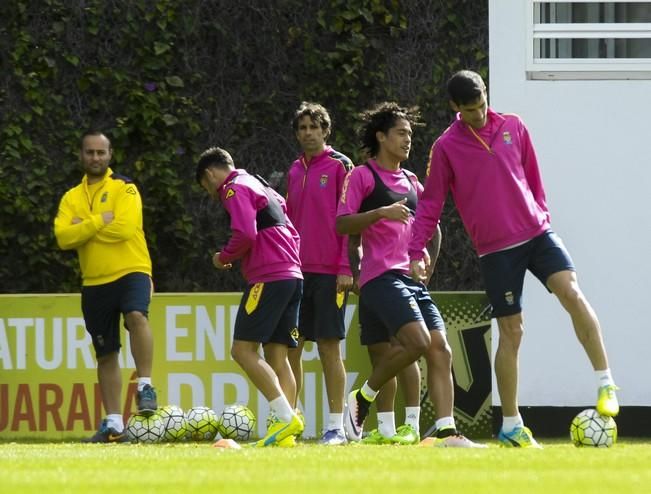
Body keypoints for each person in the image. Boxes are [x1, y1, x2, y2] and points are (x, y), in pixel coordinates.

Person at [408, 70, 619, 448]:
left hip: (538, 234)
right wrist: (414, 250)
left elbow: (534, 179)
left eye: (482, 105)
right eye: (470, 110)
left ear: (487, 95)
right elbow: (431, 204)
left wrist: (542, 217)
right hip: (495, 250)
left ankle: (606, 383)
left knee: (571, 292)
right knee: (512, 332)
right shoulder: (445, 147)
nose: (478, 114)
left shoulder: (514, 126)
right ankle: (511, 424)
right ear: (455, 107)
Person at [336, 102, 483, 447]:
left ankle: (446, 430)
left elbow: (432, 227)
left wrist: (427, 262)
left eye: (410, 135)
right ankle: (363, 397)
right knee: (416, 343)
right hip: (381, 278)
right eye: (401, 133)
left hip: (411, 280)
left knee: (441, 350)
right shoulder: (361, 176)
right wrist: (379, 214)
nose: (408, 140)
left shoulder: (413, 181)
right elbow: (343, 224)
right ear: (381, 136)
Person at [195, 146, 305, 447]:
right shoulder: (262, 185)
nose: (212, 194)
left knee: (242, 351)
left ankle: (285, 419)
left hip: (268, 277)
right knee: (277, 356)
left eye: (207, 187)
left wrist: (224, 257)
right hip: (293, 275)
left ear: (209, 174)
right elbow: (292, 230)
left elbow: (245, 233)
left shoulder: (234, 188)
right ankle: (286, 435)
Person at [54, 131, 158, 443]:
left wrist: (83, 228)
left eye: (101, 152)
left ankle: (145, 386)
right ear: (81, 155)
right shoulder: (71, 196)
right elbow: (62, 237)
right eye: (90, 152)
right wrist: (101, 220)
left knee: (137, 316)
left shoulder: (124, 187)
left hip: (132, 270)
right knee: (105, 353)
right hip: (94, 281)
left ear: (110, 155)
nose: (95, 158)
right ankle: (114, 424)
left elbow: (125, 228)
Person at [286, 102, 353, 445]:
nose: (308, 133)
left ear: (326, 130)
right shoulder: (294, 170)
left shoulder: (341, 166)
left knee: (329, 347)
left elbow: (349, 221)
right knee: (292, 348)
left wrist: (345, 267)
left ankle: (335, 428)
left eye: (314, 127)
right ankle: (290, 424)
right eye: (302, 128)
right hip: (297, 273)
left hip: (330, 273)